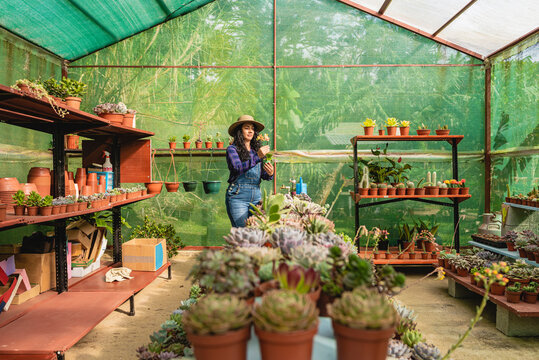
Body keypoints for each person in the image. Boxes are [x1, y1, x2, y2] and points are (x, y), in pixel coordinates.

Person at [225, 115, 274, 227]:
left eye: (252, 129)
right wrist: (258, 156)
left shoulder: (256, 151)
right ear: (239, 131)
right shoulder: (232, 149)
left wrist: (270, 173)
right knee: (242, 233)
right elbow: (237, 168)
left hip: (256, 197)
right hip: (238, 196)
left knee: (256, 232)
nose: (250, 131)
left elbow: (263, 175)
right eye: (247, 128)